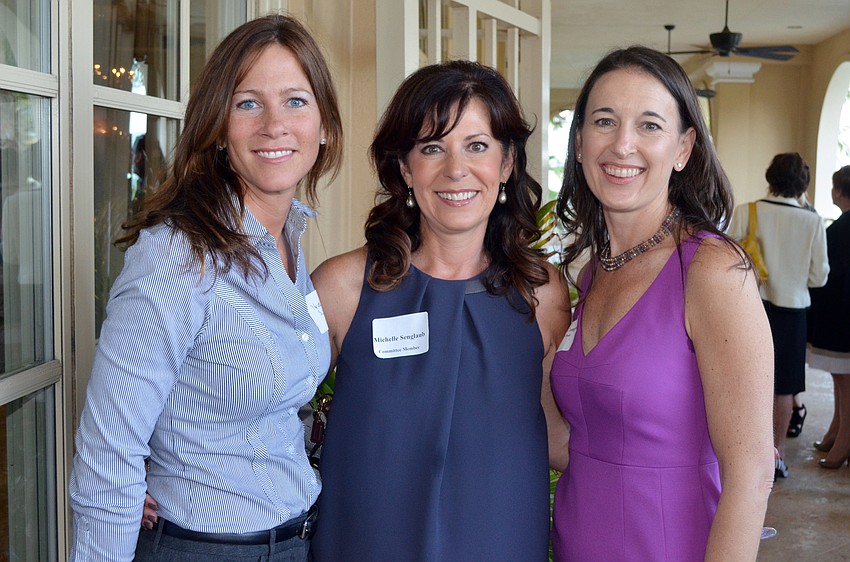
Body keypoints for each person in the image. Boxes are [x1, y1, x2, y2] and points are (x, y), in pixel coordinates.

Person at [68, 14, 343, 561]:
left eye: (295, 101)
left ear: (324, 126)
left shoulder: (287, 238)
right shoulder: (177, 255)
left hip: (295, 541)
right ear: (217, 127)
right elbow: (108, 449)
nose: (274, 125)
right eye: (247, 103)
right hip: (204, 549)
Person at [309, 60, 571, 561]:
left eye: (477, 146)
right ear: (406, 168)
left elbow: (555, 431)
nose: (456, 169)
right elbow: (270, 409)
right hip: (365, 544)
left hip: (501, 542)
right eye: (433, 148)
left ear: (507, 163)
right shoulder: (343, 287)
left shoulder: (543, 294)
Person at [551, 46, 774, 561]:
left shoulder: (711, 271)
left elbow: (752, 473)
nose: (622, 144)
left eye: (649, 125)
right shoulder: (591, 274)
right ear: (580, 142)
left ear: (683, 148)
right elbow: (571, 444)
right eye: (604, 121)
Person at [728, 152, 829, 479]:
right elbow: (819, 277)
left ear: (770, 177)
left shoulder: (747, 211)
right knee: (784, 386)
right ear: (802, 184)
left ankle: (744, 452)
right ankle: (777, 455)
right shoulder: (812, 221)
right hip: (793, 310)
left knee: (747, 378)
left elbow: (727, 259)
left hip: (751, 306)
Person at [808, 165, 850, 469]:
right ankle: (836, 429)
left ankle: (844, 442)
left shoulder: (841, 228)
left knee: (845, 379)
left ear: (838, 190)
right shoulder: (840, 225)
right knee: (840, 377)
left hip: (843, 314)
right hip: (841, 312)